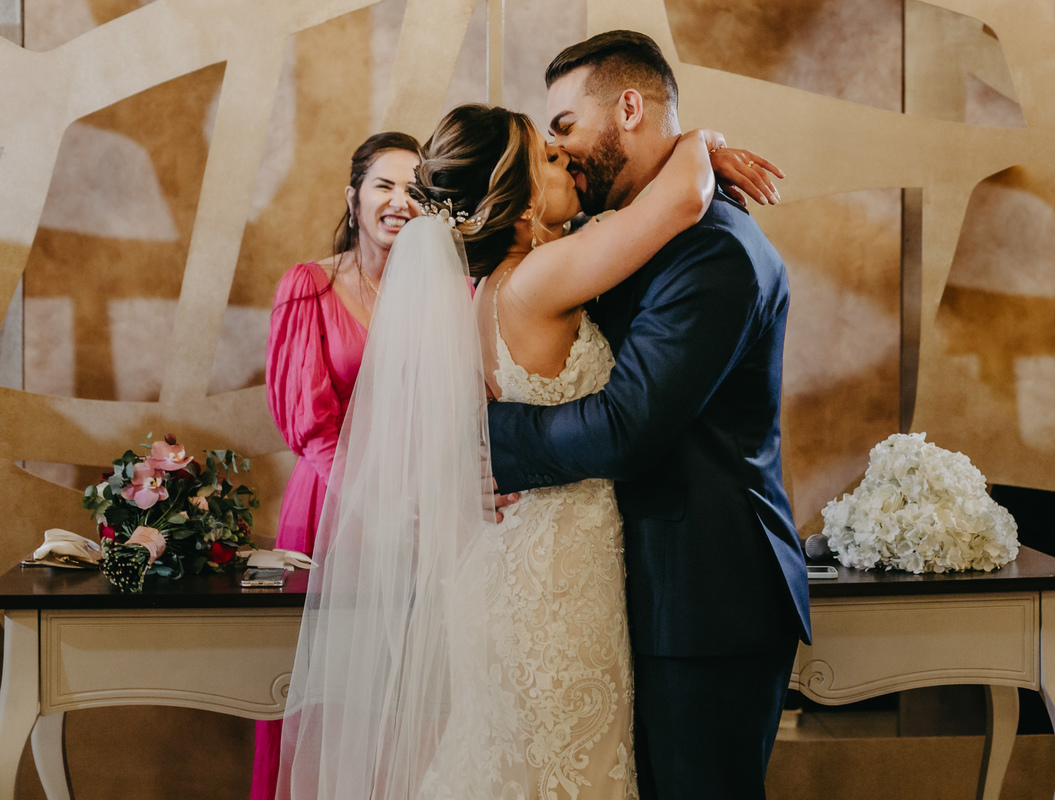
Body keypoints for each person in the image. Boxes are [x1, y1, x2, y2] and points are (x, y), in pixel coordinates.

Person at [278, 99, 781, 798]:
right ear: (516, 201)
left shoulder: (486, 291)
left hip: (505, 569)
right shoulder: (542, 280)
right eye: (548, 158)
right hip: (552, 582)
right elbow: (682, 201)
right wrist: (700, 135)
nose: (566, 158)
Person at [486, 31, 813, 800]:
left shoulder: (715, 251)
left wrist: (485, 441)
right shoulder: (622, 236)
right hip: (633, 590)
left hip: (703, 597)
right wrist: (699, 144)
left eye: (565, 126)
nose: (560, 153)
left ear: (628, 108)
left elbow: (626, 429)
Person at [256, 131, 422, 800]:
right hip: (333, 508)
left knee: (405, 700)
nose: (400, 202)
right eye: (385, 185)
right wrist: (383, 503)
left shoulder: (452, 294)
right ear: (354, 197)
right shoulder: (310, 286)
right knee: (321, 699)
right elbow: (310, 426)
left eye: (417, 190)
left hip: (416, 512)